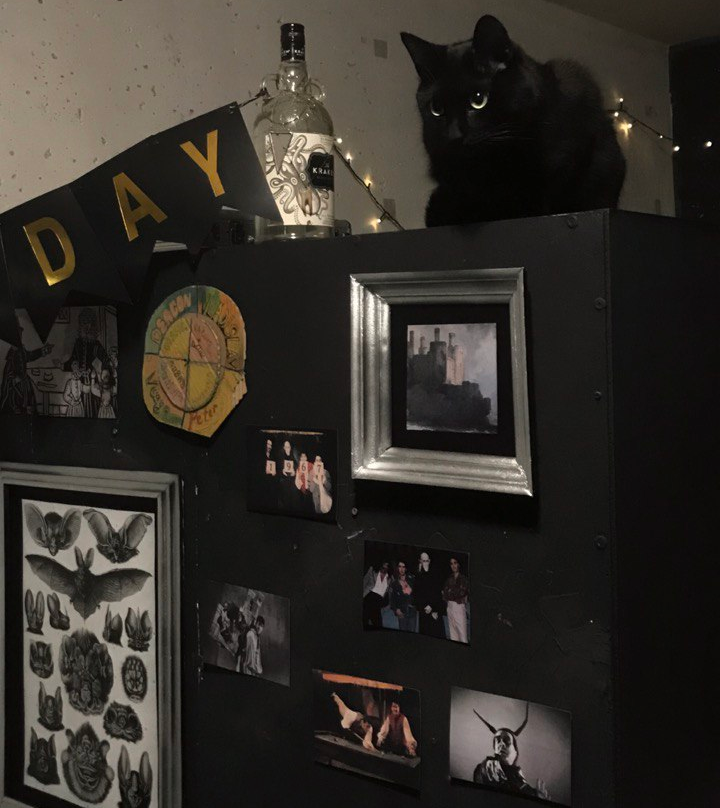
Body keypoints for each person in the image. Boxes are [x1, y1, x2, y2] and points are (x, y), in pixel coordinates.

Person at [472, 703, 549, 800]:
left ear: (515, 751)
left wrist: (536, 799)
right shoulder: (484, 769)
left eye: (506, 740)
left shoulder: (520, 780)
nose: (501, 744)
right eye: (497, 740)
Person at [63, 308, 111, 418]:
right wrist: (70, 365)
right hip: (79, 383)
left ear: (93, 325)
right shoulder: (78, 343)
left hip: (93, 383)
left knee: (92, 411)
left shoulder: (96, 344)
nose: (86, 327)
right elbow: (73, 359)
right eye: (84, 323)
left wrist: (101, 370)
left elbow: (106, 360)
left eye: (89, 323)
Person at [0, 327, 53, 414]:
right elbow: (8, 373)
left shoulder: (21, 350)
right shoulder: (12, 354)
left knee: (29, 404)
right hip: (15, 386)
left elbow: (30, 356)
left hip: (24, 382)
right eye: (18, 335)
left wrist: (43, 351)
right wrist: (14, 379)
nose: (20, 338)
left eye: (20, 335)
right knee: (17, 406)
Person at [413, 551, 445, 639]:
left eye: (427, 561)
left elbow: (438, 593)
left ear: (429, 561)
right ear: (420, 561)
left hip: (435, 611)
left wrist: (433, 608)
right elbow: (416, 595)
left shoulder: (435, 574)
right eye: (423, 561)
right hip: (424, 611)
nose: (425, 563)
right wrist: (424, 606)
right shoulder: (418, 575)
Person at [442, 557, 469, 643]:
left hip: (458, 607)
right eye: (451, 563)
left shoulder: (463, 578)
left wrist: (449, 592)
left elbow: (461, 593)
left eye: (455, 563)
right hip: (450, 607)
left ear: (458, 564)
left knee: (462, 636)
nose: (453, 565)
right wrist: (450, 593)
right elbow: (444, 595)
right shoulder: (449, 579)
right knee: (453, 636)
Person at [389, 560, 416, 632]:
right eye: (400, 567)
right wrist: (396, 610)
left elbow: (417, 593)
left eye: (403, 567)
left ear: (406, 568)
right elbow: (392, 599)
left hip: (412, 611)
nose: (401, 569)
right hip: (401, 611)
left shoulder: (412, 578)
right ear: (397, 568)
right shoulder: (394, 583)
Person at [362, 561, 391, 628]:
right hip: (369, 598)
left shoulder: (389, 577)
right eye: (383, 566)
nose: (385, 568)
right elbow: (364, 582)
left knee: (378, 624)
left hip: (378, 602)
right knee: (365, 621)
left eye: (387, 567)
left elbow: (388, 591)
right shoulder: (372, 570)